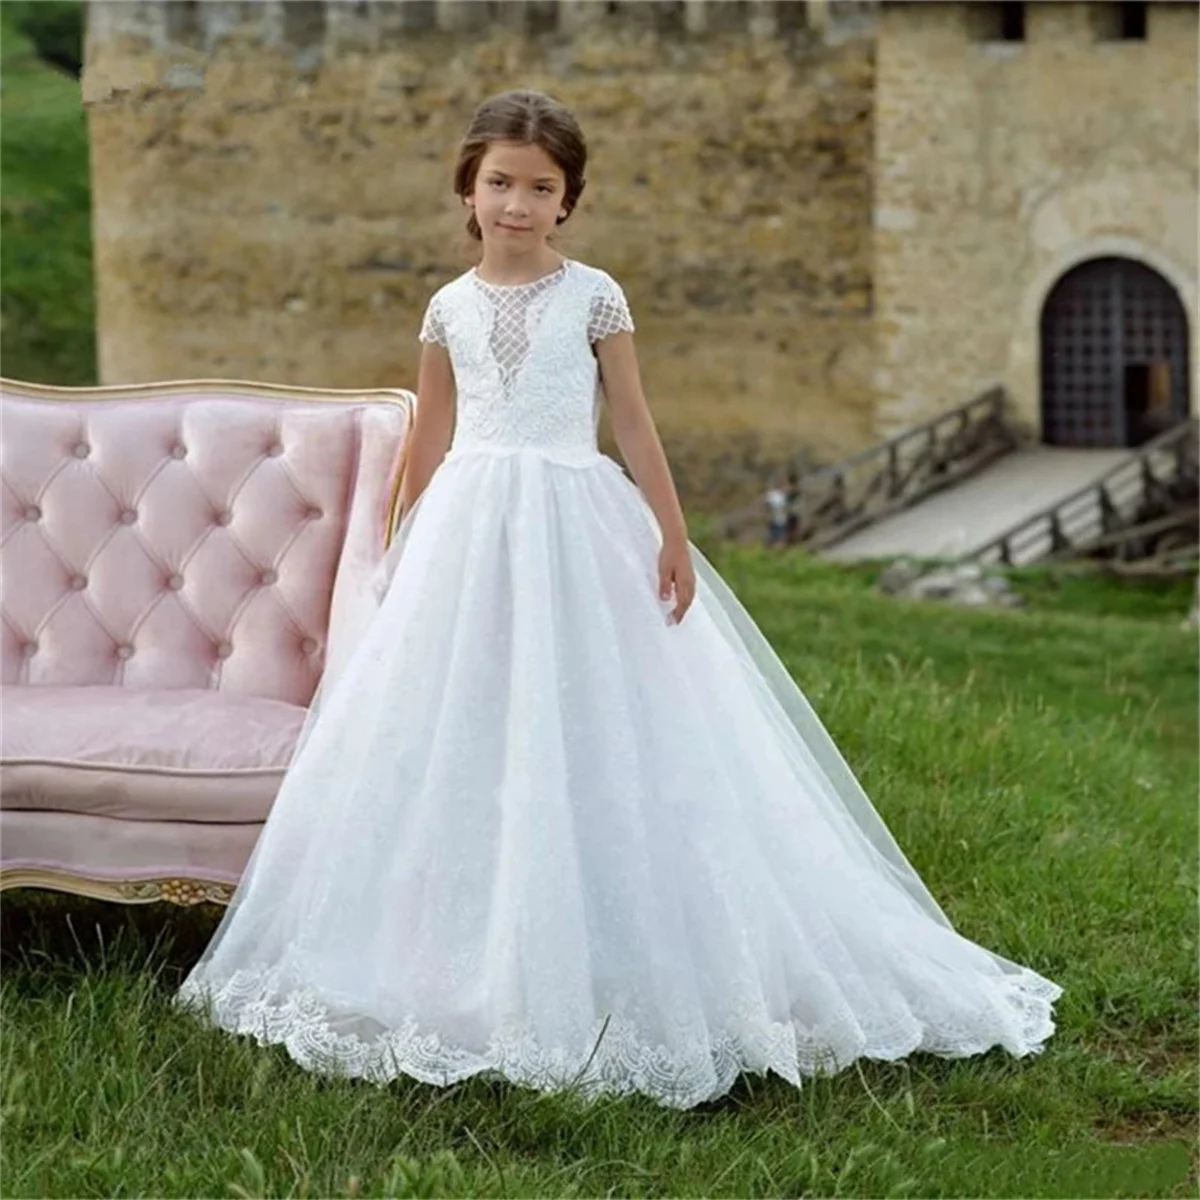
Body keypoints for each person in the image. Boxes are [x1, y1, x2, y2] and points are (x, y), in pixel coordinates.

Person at [173, 89, 1062, 1110]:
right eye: (499, 182)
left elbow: (632, 423)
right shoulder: (448, 308)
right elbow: (430, 435)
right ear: (467, 189)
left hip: (576, 514)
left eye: (540, 187)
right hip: (467, 524)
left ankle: (618, 933)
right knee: (462, 724)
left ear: (568, 202)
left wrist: (672, 531)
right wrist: (401, 537)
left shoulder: (595, 297)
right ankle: (458, 945)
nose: (516, 202)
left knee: (596, 718)